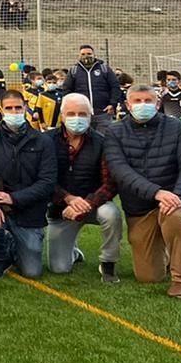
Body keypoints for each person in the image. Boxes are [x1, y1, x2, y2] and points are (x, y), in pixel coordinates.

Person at [103, 84, 181, 299]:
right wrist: (157, 193)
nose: (143, 105)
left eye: (148, 101)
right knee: (148, 276)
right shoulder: (114, 131)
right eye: (137, 101)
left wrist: (179, 195)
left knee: (175, 216)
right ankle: (166, 255)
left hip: (177, 199)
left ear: (158, 104)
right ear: (127, 105)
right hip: (140, 207)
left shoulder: (178, 128)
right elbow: (120, 171)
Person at [0, 89, 57, 279]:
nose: (14, 112)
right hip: (0, 204)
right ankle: (0, 255)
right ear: (1, 111)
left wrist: (14, 198)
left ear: (25, 108)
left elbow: (47, 182)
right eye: (9, 108)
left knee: (31, 272)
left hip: (30, 210)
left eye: (18, 108)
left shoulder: (43, 141)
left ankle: (14, 247)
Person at [45, 94, 121, 282]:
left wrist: (87, 203)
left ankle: (108, 264)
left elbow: (110, 183)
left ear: (91, 115)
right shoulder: (45, 141)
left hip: (94, 204)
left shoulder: (103, 142)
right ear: (62, 115)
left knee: (111, 215)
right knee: (59, 268)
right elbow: (42, 180)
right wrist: (68, 199)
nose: (76, 118)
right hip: (62, 209)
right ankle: (73, 251)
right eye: (71, 113)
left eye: (82, 113)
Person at [64, 44, 123, 130]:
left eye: (89, 54)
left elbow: (115, 86)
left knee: (104, 139)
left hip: (103, 113)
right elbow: (67, 90)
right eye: (83, 54)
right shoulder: (74, 71)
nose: (86, 56)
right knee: (85, 140)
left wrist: (112, 104)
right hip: (82, 113)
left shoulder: (104, 69)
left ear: (94, 55)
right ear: (79, 55)